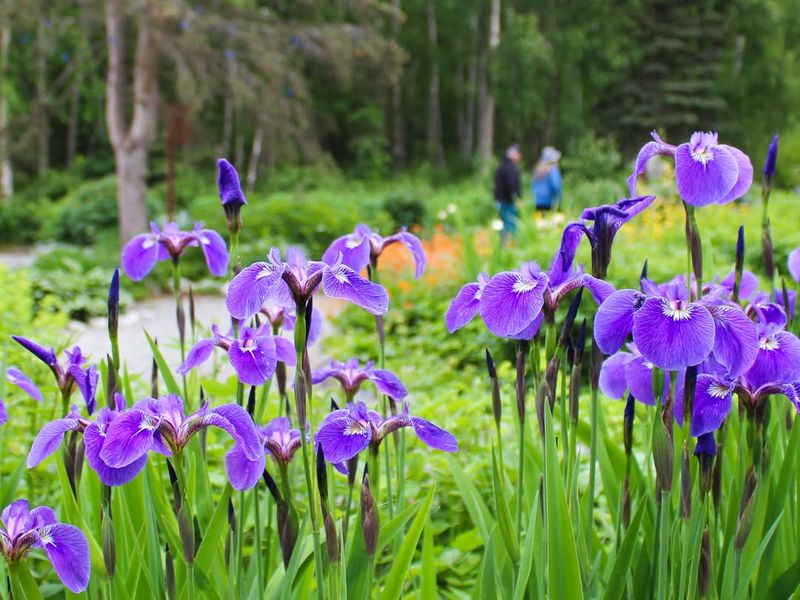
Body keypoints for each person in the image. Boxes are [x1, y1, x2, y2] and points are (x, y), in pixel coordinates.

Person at [493, 144, 522, 241]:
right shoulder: (510, 168)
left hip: (500, 199)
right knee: (511, 223)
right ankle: (510, 245)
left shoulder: (501, 166)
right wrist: (517, 198)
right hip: (508, 200)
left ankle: (504, 244)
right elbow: (512, 184)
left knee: (504, 222)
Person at [532, 146, 562, 211]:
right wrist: (559, 199)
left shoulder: (537, 169)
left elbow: (533, 186)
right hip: (550, 202)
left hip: (538, 202)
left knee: (539, 221)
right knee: (550, 220)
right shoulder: (553, 169)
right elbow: (556, 185)